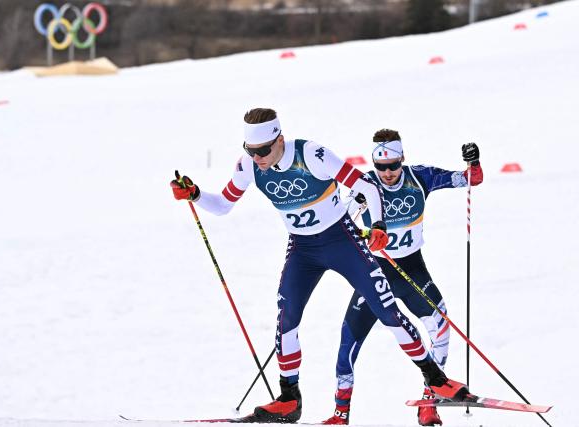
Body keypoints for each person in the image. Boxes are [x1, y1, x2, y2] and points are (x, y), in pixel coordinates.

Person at [171, 110, 469, 424]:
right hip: (303, 249)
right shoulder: (248, 166)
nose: (257, 157)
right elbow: (223, 205)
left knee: (386, 311)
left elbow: (366, 187)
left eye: (263, 150)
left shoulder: (312, 154)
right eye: (251, 150)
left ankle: (436, 380)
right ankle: (289, 399)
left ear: (279, 140)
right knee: (286, 316)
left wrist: (379, 225)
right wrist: (195, 194)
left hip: (342, 241)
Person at [321, 129, 483, 426]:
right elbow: (339, 225)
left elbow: (469, 179)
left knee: (441, 324)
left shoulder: (420, 177)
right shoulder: (365, 186)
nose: (387, 173)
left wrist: (474, 165)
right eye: (380, 166)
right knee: (348, 342)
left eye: (393, 165)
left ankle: (429, 401)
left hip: (411, 268)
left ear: (402, 159)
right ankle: (340, 413)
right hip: (375, 272)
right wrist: (363, 233)